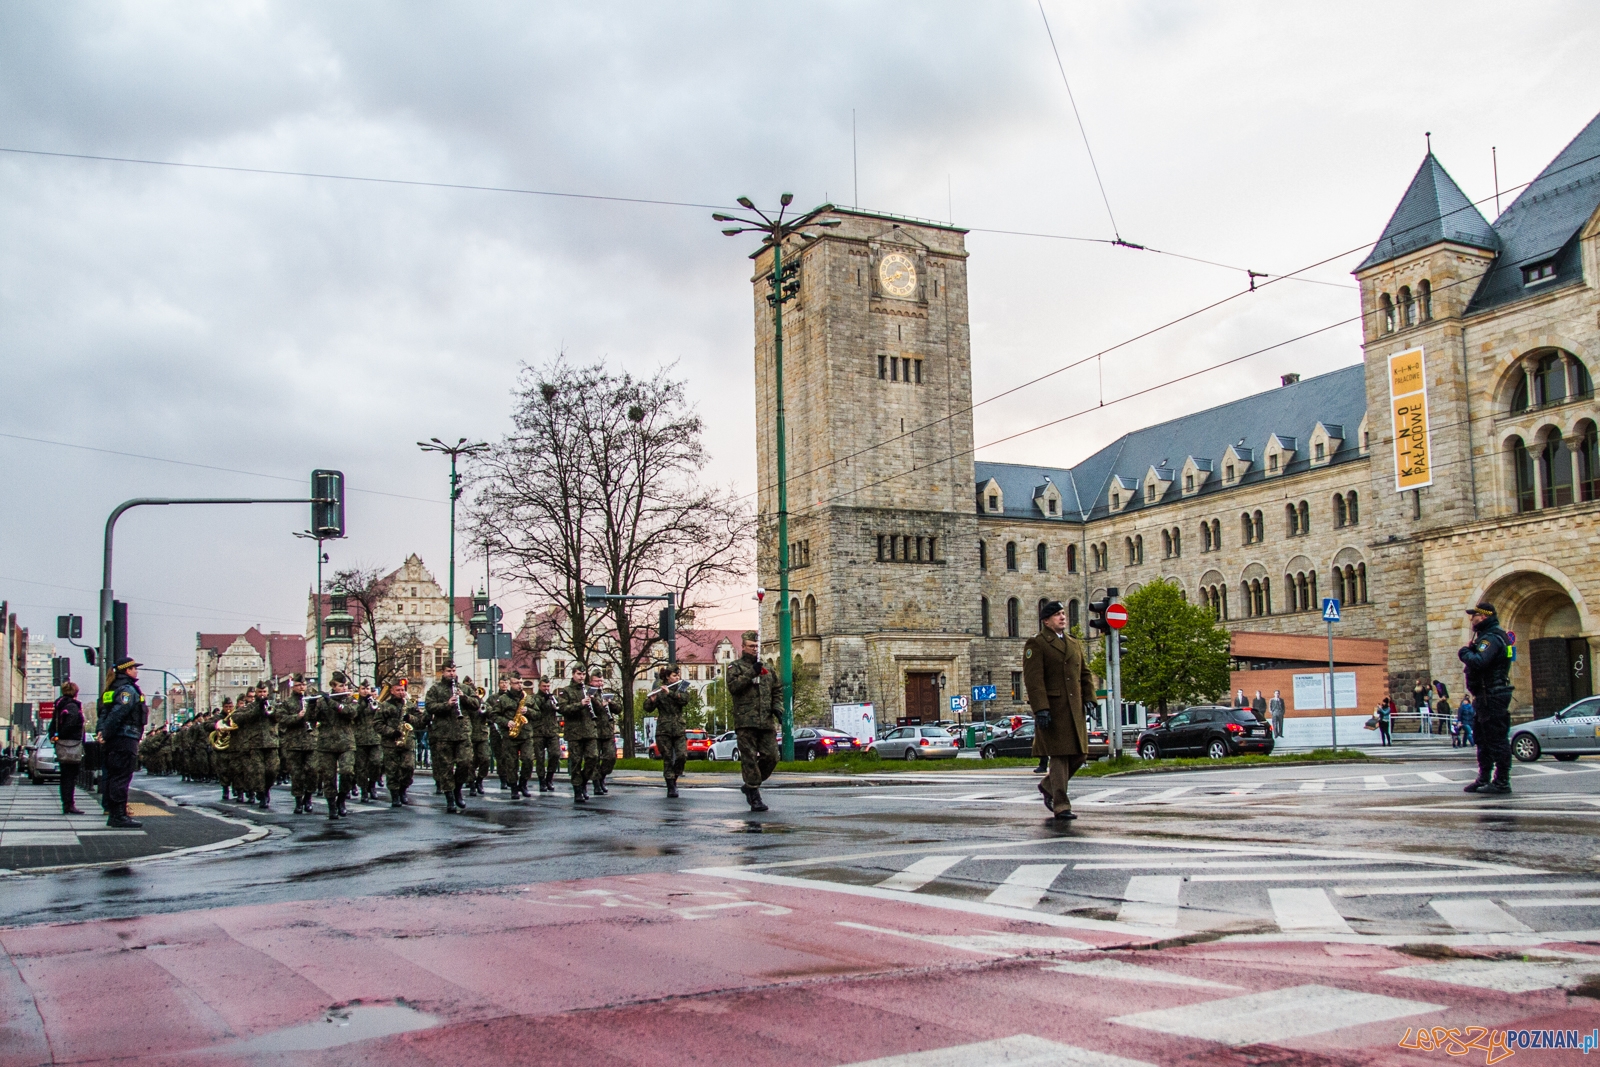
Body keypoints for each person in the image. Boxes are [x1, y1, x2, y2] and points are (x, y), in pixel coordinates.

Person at [1024, 601, 1096, 822]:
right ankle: (1061, 805)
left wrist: (1090, 699)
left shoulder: (1074, 644)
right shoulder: (1037, 644)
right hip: (1054, 710)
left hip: (1074, 710)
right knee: (1059, 756)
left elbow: (1085, 674)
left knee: (1080, 754)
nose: (1062, 617)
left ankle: (1048, 785)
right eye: (1057, 615)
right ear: (1046, 620)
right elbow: (1034, 680)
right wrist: (1041, 709)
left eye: (1063, 614)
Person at [1460, 603, 1514, 793]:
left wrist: (1465, 653)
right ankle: (1484, 778)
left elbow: (1481, 661)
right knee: (1482, 738)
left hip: (1492, 694)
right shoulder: (1489, 637)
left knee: (1496, 739)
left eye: (1473, 615)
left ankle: (1501, 781)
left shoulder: (1491, 638)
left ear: (1482, 617)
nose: (1471, 619)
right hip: (1486, 695)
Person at [727, 631, 780, 812]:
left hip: (765, 720)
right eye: (751, 646)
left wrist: (777, 708)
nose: (754, 649)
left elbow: (776, 690)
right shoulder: (735, 667)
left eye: (756, 646)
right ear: (743, 647)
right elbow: (734, 687)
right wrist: (751, 673)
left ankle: (751, 784)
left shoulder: (767, 668)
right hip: (746, 721)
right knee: (749, 758)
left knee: (772, 756)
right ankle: (754, 794)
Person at [96, 657, 149, 829]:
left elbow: (104, 713)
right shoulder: (127, 690)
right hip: (125, 738)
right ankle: (118, 815)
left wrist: (102, 732)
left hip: (115, 739)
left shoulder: (112, 689)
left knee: (113, 776)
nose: (136, 671)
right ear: (127, 670)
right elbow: (117, 714)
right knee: (121, 777)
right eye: (134, 668)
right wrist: (106, 733)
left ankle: (115, 813)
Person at [425, 661, 474, 813]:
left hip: (462, 733)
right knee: (445, 768)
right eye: (448, 671)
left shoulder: (464, 688)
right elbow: (429, 707)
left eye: (453, 670)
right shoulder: (435, 689)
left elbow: (477, 704)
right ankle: (450, 799)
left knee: (465, 763)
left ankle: (458, 789)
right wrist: (447, 704)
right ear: (443, 672)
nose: (451, 673)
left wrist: (464, 697)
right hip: (443, 735)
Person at [311, 672, 358, 818]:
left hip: (346, 743)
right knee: (328, 777)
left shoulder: (350, 700)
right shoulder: (321, 702)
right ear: (333, 686)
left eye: (345, 685)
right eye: (340, 685)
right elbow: (310, 719)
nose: (344, 688)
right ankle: (331, 805)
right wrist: (311, 706)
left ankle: (342, 799)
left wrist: (330, 702)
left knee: (347, 772)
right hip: (326, 744)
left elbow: (349, 712)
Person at [374, 679, 421, 807]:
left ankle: (403, 790)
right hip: (390, 743)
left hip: (407, 742)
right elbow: (377, 724)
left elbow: (421, 720)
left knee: (408, 767)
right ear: (392, 691)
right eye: (398, 690)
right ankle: (395, 795)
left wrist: (410, 718)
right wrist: (391, 732)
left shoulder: (409, 705)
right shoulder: (384, 706)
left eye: (402, 690)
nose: (401, 692)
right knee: (392, 770)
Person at [646, 665, 689, 798]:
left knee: (682, 756)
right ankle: (670, 785)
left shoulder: (681, 687)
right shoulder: (659, 688)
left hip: (678, 728)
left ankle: (674, 777)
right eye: (674, 676)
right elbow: (647, 708)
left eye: (678, 675)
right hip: (664, 729)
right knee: (668, 758)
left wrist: (669, 693)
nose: (677, 677)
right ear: (667, 677)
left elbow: (684, 700)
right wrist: (652, 701)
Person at [558, 665, 599, 803]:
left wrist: (595, 701)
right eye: (579, 674)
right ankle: (577, 789)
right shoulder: (566, 691)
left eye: (583, 674)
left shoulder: (588, 689)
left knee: (593, 758)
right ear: (573, 674)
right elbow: (563, 709)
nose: (581, 677)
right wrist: (580, 704)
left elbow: (599, 709)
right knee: (575, 762)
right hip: (574, 732)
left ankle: (583, 782)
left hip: (589, 730)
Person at [278, 676, 318, 814]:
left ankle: (308, 797)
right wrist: (297, 717)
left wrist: (313, 707)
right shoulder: (287, 703)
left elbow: (319, 716)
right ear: (293, 686)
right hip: (294, 743)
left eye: (303, 684)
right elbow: (281, 719)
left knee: (312, 771)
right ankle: (299, 801)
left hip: (310, 741)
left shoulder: (311, 700)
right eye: (298, 685)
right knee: (297, 774)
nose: (301, 687)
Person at [51, 681, 86, 815]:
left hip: (62, 745)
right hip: (72, 744)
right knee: (70, 776)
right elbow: (71, 724)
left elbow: (53, 724)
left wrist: (56, 737)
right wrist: (66, 735)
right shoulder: (73, 707)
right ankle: (69, 804)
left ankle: (67, 803)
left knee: (65, 775)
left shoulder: (60, 705)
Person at [352, 680, 384, 802]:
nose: (366, 691)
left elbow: (382, 716)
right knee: (361, 768)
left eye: (368, 689)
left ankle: (372, 785)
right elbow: (353, 714)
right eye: (363, 689)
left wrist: (376, 707)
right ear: (359, 690)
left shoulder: (375, 703)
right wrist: (363, 704)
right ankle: (364, 790)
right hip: (359, 740)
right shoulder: (355, 703)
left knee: (376, 763)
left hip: (375, 739)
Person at [529, 676, 562, 793]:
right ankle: (542, 780)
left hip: (552, 731)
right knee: (540, 758)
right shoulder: (534, 698)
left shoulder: (553, 698)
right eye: (544, 686)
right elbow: (535, 708)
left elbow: (561, 708)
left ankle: (549, 778)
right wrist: (544, 699)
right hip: (538, 732)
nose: (546, 688)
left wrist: (556, 703)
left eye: (548, 686)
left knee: (555, 754)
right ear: (539, 686)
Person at [590, 672, 618, 795]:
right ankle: (596, 783)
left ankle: (602, 776)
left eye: (601, 681)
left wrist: (610, 703)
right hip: (594, 731)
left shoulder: (605, 693)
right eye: (597, 681)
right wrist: (600, 705)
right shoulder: (589, 693)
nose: (600, 683)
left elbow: (618, 709)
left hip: (607, 730)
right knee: (594, 758)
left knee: (611, 756)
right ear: (591, 682)